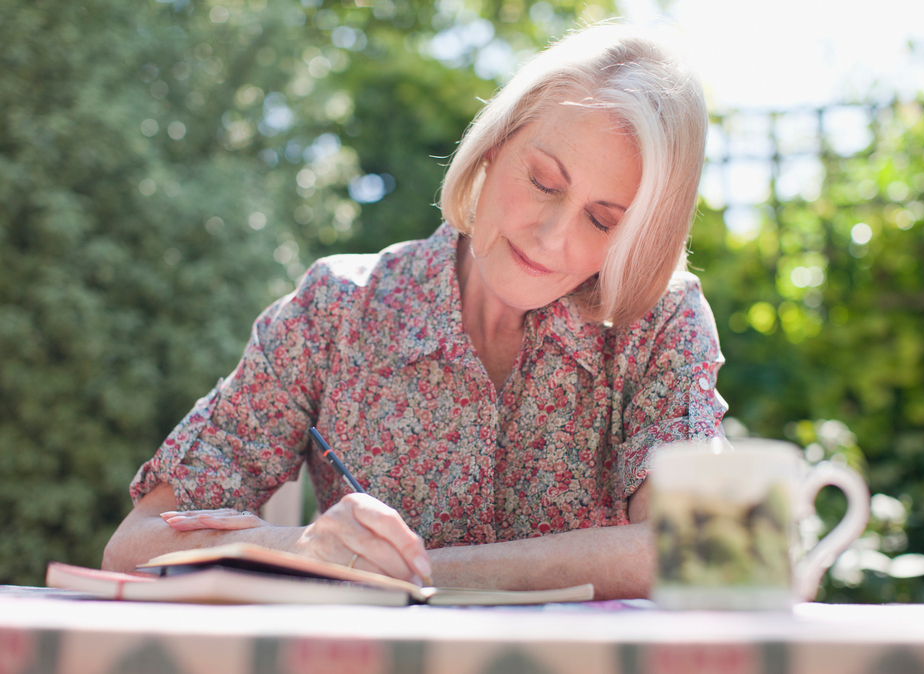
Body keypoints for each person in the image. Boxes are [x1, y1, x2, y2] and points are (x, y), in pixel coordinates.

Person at [103, 22, 727, 599]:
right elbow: (135, 546)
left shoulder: (660, 324)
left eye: (601, 220)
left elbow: (693, 549)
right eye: (543, 181)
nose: (552, 236)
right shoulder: (336, 310)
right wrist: (298, 548)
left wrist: (411, 571)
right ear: (492, 148)